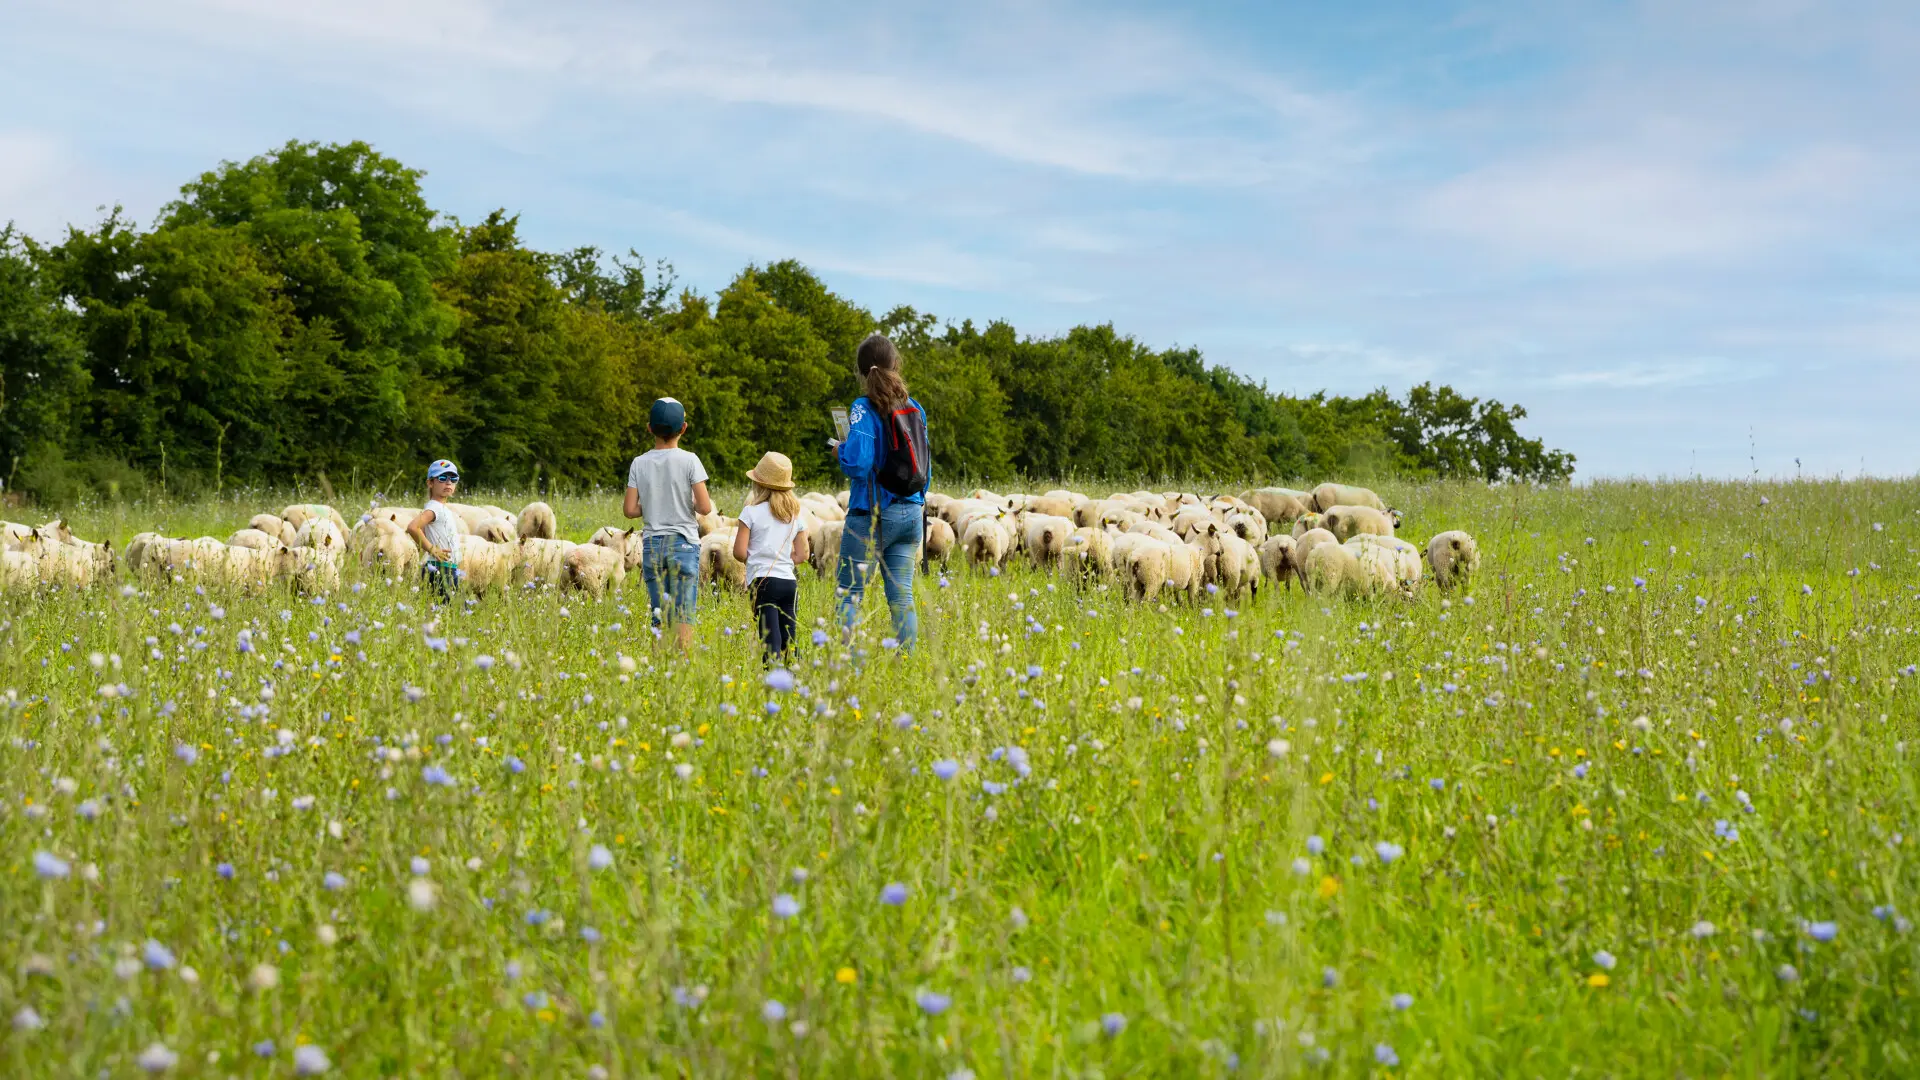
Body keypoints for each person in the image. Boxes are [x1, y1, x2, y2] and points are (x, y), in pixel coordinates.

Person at [832, 333, 929, 650]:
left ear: (861, 372)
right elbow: (923, 464)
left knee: (850, 593)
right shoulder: (915, 408)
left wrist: (841, 452)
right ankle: (907, 664)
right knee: (902, 594)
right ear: (895, 364)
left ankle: (851, 666)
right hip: (912, 510)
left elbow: (859, 464)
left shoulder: (862, 408)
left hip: (872, 513)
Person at [624, 398, 713, 652]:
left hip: (652, 546)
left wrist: (653, 504)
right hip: (683, 545)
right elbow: (705, 507)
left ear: (649, 428)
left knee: (659, 615)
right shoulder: (690, 460)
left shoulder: (639, 463)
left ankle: (660, 672)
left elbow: (630, 510)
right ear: (683, 428)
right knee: (683, 614)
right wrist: (684, 501)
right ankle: (682, 670)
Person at [732, 451, 811, 661]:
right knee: (789, 640)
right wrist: (784, 559)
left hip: (763, 582)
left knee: (771, 643)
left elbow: (739, 553)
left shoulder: (750, 513)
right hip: (789, 583)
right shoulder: (795, 516)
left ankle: (773, 687)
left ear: (759, 484)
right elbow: (803, 555)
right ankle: (795, 681)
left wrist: (759, 556)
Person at [406, 459, 463, 605]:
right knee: (454, 611)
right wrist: (432, 549)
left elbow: (424, 531)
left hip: (446, 568)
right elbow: (413, 527)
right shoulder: (435, 508)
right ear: (430, 483)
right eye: (442, 478)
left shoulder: (440, 508)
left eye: (453, 479)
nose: (448, 483)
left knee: (448, 610)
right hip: (440, 569)